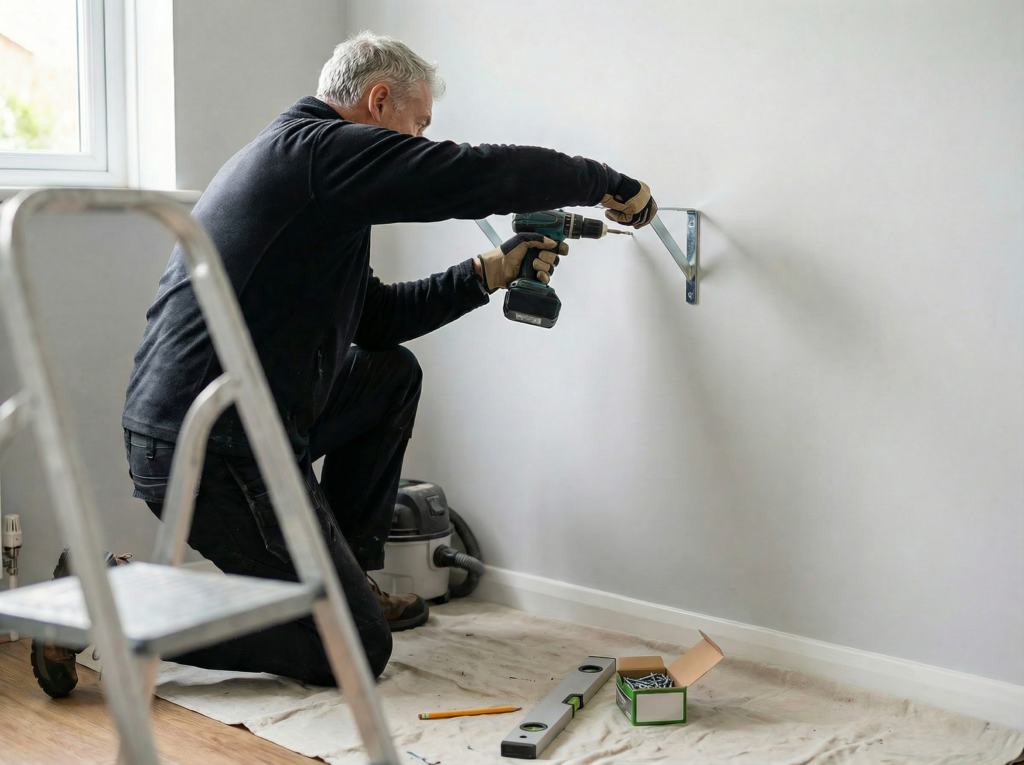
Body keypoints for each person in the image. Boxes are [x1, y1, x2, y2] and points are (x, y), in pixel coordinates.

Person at [31, 31, 658, 696]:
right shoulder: (315, 152)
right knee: (354, 647)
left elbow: (377, 323)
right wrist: (606, 181)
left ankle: (347, 580)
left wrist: (490, 272)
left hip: (246, 422)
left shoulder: (313, 178)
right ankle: (106, 601)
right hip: (211, 445)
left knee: (389, 375)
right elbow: (474, 173)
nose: (418, 144)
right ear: (379, 100)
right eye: (417, 126)